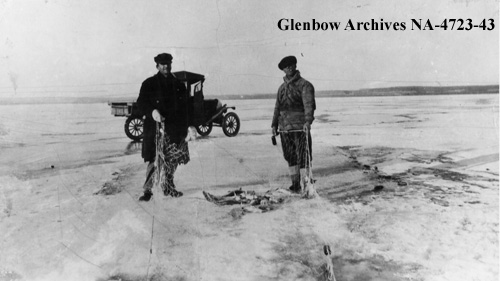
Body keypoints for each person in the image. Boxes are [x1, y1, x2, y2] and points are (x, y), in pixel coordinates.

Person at [137, 53, 190, 201]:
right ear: (157, 66)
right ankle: (148, 190)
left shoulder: (178, 85)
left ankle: (168, 187)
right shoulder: (149, 84)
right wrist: (152, 111)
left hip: (174, 129)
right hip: (155, 129)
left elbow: (185, 108)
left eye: (168, 63)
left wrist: (188, 128)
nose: (165, 66)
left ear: (171, 64)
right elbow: (141, 103)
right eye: (162, 64)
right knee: (154, 159)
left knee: (172, 159)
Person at [271, 55, 316, 193]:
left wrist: (308, 122)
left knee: (304, 156)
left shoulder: (305, 85)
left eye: (291, 65)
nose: (289, 68)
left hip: (300, 128)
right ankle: (295, 185)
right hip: (285, 129)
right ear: (283, 70)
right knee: (290, 157)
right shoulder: (281, 89)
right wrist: (274, 125)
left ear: (295, 66)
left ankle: (307, 184)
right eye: (286, 67)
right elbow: (277, 107)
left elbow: (309, 105)